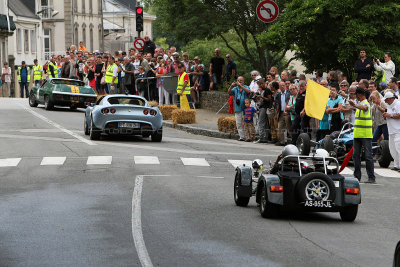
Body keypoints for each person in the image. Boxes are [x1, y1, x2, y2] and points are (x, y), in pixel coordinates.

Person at [349, 87, 375, 183]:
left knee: (368, 156)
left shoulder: (366, 104)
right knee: (356, 156)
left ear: (359, 95)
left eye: (356, 94)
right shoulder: (360, 104)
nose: (355, 96)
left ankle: (371, 177)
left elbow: (365, 108)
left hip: (365, 135)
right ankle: (357, 177)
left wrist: (355, 105)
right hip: (357, 134)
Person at [228, 76, 251, 141]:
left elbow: (248, 92)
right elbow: (229, 92)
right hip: (238, 108)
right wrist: (231, 86)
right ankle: (242, 137)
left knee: (246, 123)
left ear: (243, 81)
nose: (239, 81)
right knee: (239, 124)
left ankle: (247, 137)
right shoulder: (235, 88)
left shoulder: (246, 87)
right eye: (238, 80)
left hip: (245, 109)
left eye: (241, 80)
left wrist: (241, 86)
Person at [382, 92, 400, 171]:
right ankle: (397, 165)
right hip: (391, 130)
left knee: (398, 148)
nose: (385, 101)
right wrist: (385, 116)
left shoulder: (398, 104)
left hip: (398, 130)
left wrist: (390, 116)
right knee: (392, 149)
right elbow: (389, 115)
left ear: (390, 99)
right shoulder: (389, 105)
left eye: (386, 100)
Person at [255, 79, 273, 143]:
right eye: (259, 84)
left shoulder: (267, 90)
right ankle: (266, 137)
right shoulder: (261, 90)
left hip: (265, 107)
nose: (260, 85)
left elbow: (269, 99)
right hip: (261, 106)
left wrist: (262, 97)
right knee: (265, 123)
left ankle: (262, 137)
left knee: (261, 122)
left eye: (261, 84)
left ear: (264, 83)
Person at [275, 80, 292, 146]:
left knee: (289, 127)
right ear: (279, 87)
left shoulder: (288, 93)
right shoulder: (278, 94)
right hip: (281, 112)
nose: (282, 87)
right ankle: (282, 141)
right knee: (280, 127)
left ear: (285, 86)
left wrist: (288, 111)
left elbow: (289, 102)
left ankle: (293, 140)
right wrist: (276, 114)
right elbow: (277, 105)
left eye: (283, 85)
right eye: (281, 86)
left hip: (287, 112)